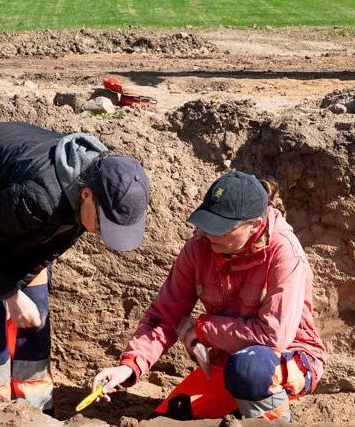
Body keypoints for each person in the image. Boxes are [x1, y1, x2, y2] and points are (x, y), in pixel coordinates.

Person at [0, 121, 151, 415]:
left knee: (35, 305)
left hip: (14, 201)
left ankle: (35, 411)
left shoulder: (103, 186)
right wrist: (9, 294)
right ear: (86, 195)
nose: (100, 233)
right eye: (102, 224)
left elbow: (51, 245)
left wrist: (21, 287)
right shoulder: (40, 197)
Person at [92, 171, 326, 422]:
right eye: (208, 223)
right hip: (227, 365)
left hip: (285, 359)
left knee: (251, 371)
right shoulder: (199, 247)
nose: (210, 234)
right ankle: (238, 407)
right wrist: (129, 366)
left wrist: (204, 329)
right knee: (168, 417)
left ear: (254, 225)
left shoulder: (284, 253)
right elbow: (165, 315)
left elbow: (272, 338)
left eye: (223, 228)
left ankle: (272, 421)